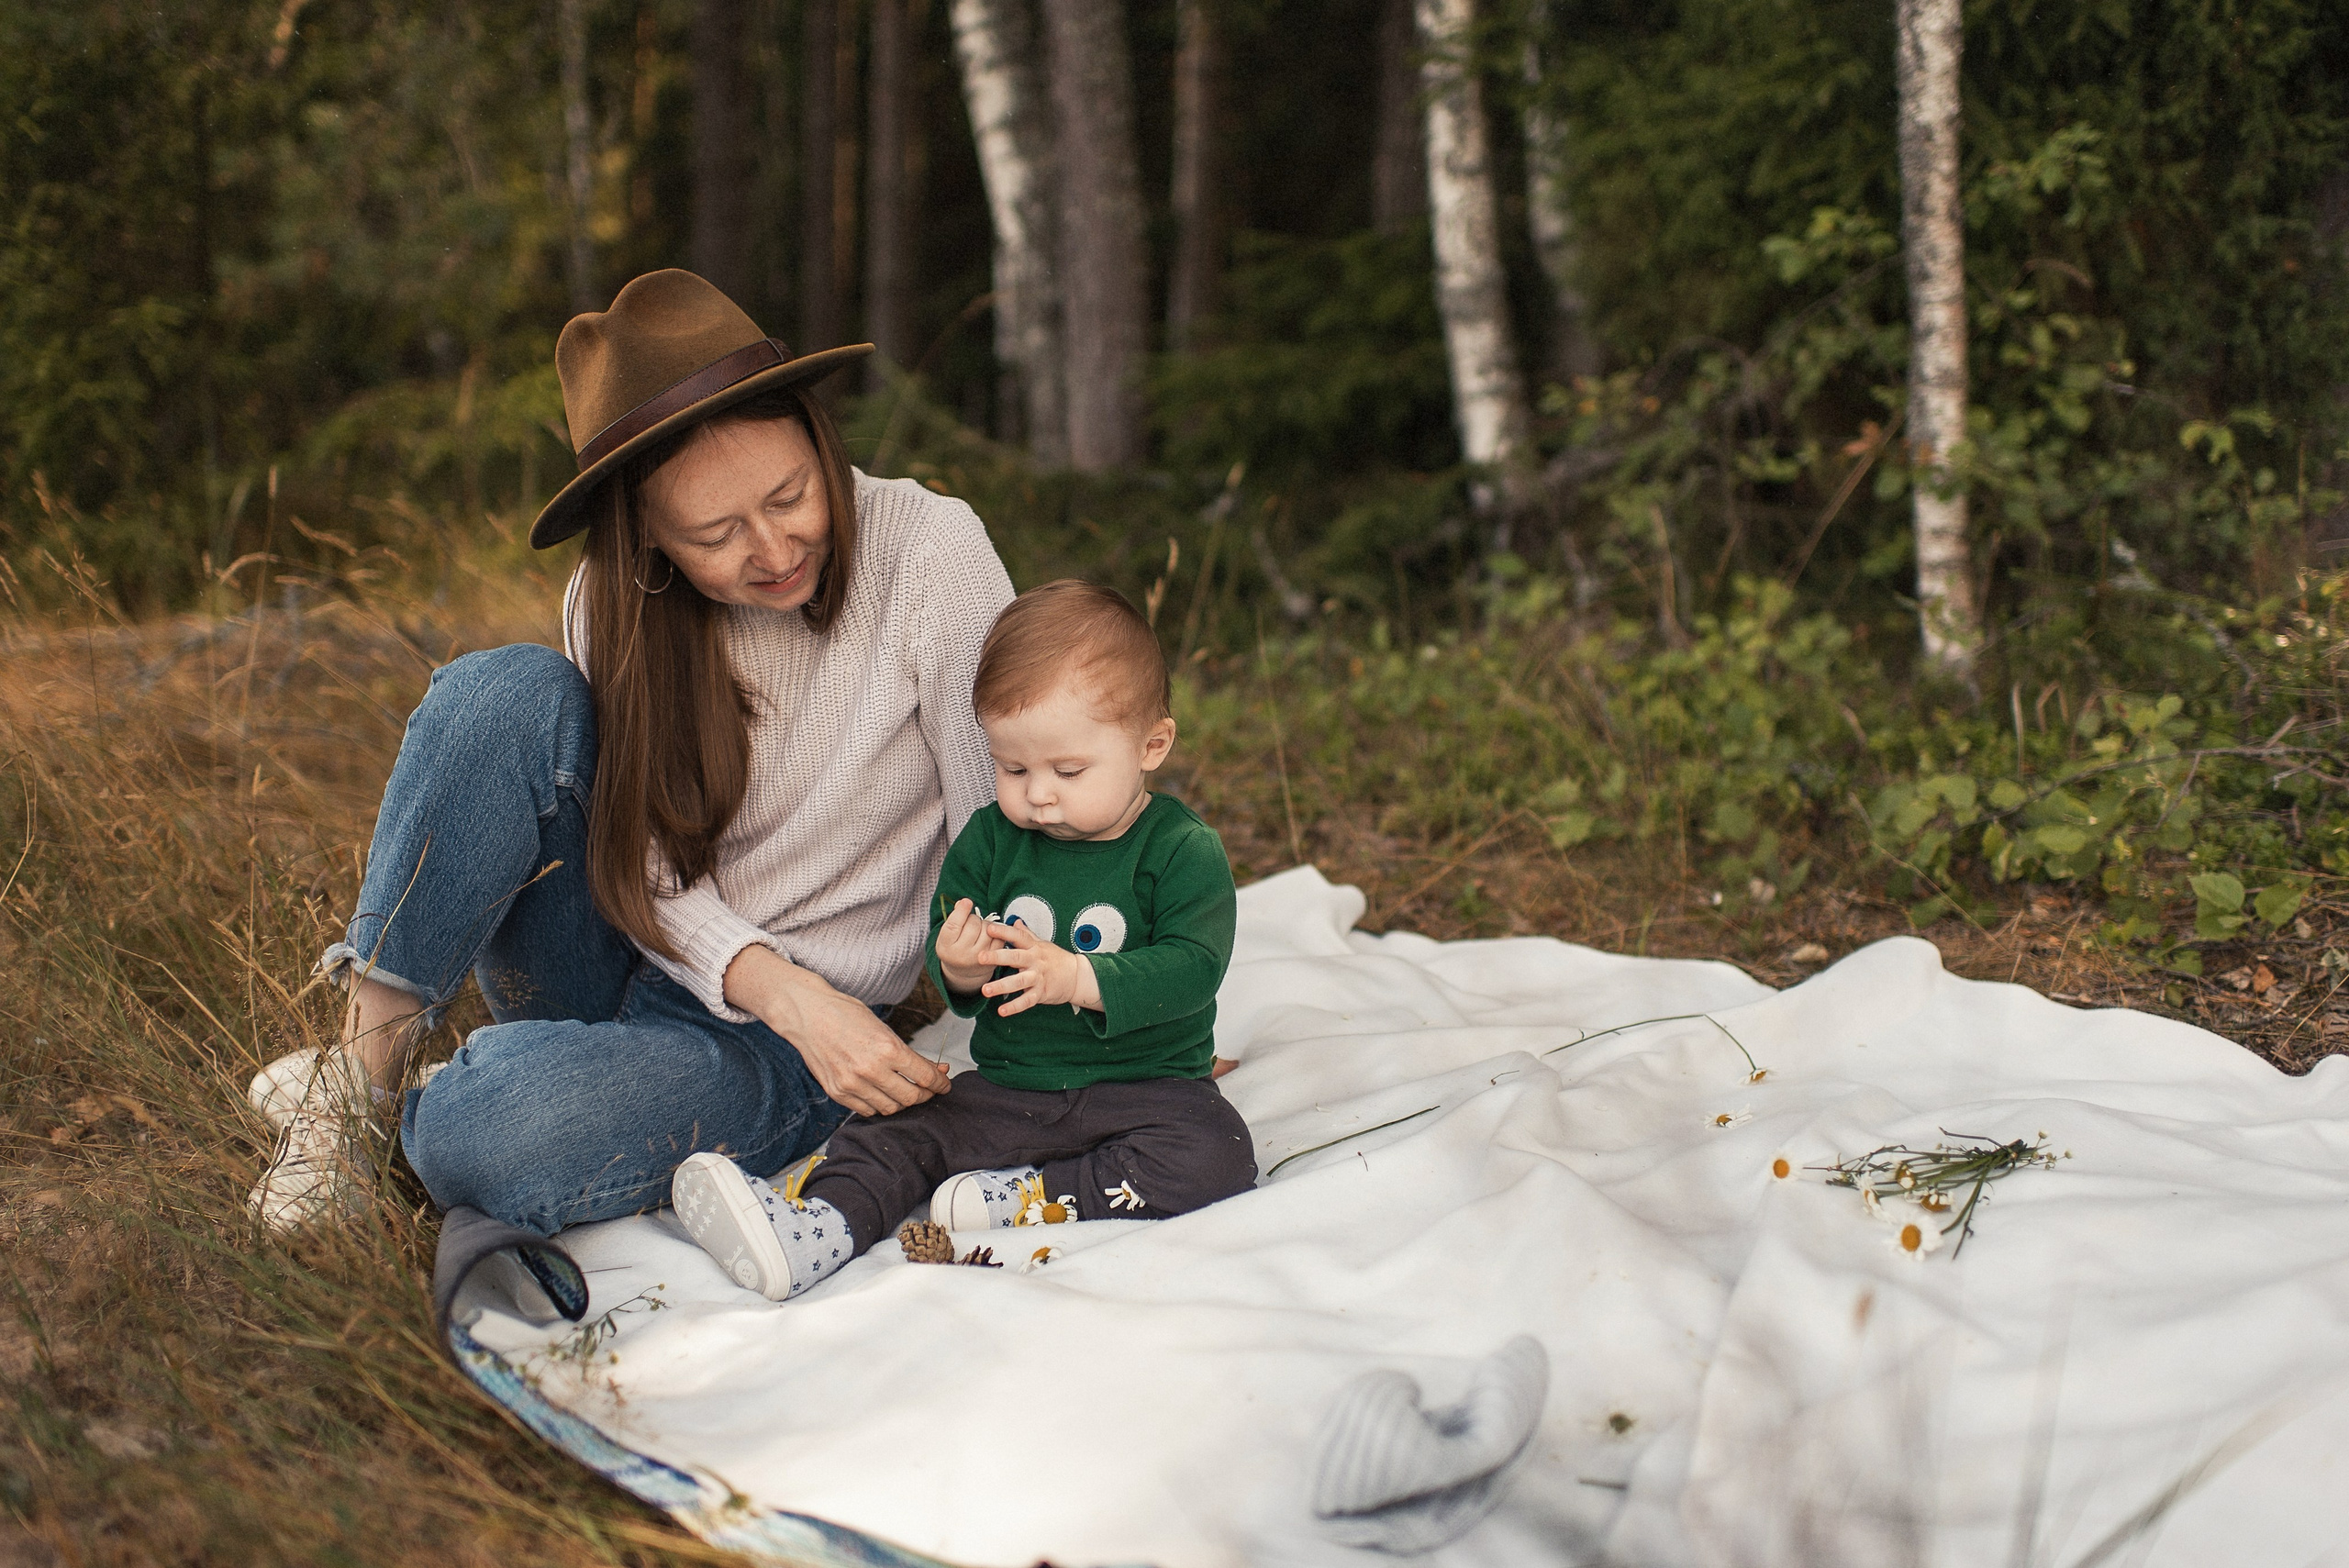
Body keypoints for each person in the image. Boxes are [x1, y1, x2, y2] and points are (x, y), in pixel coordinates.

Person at [247, 268, 1009, 1235]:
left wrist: (1088, 1027)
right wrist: (780, 990)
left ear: (819, 441)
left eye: (790, 495)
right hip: (622, 947)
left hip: (783, 1045)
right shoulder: (612, 600)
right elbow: (639, 865)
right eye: (717, 532)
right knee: (499, 691)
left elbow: (1001, 822)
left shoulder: (933, 552)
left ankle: (475, 1093)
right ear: (647, 536)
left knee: (487, 1128)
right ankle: (356, 1090)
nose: (775, 548)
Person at [668, 581, 1256, 1298]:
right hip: (1012, 1090)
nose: (1037, 793)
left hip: (1143, 1088)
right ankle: (818, 1226)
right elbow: (951, 944)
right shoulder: (990, 840)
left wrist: (1077, 978)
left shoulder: (1180, 849)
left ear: (1151, 745)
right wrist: (958, 963)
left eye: (1068, 770)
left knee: (1216, 1154)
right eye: (1013, 768)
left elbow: (1194, 968)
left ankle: (1037, 1196)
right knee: (896, 1125)